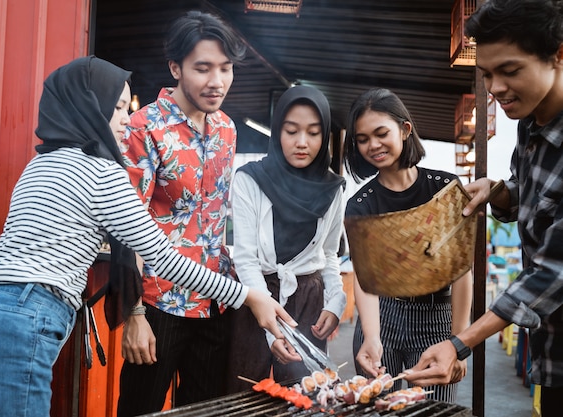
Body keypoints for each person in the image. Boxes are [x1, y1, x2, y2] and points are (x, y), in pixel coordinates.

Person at [0, 56, 294, 417]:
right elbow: (162, 258)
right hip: (28, 321)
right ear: (88, 107)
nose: (126, 119)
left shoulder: (42, 162)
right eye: (116, 107)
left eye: (127, 106)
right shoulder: (102, 172)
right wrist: (247, 296)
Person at [405, 1, 563, 415]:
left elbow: (552, 273)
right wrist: (496, 191)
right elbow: (527, 196)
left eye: (509, 71)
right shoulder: (531, 122)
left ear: (558, 54)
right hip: (553, 352)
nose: (495, 88)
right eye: (488, 74)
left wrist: (460, 343)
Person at [117, 11, 247, 415]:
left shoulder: (227, 128)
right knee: (141, 409)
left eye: (225, 69)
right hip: (159, 303)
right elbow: (127, 228)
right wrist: (134, 314)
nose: (217, 81)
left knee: (204, 411)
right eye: (203, 69)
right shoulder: (144, 127)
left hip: (214, 301)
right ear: (175, 68)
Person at [342, 87, 473, 402]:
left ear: (405, 129)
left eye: (381, 133)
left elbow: (461, 273)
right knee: (375, 404)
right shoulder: (361, 204)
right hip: (381, 316)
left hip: (435, 317)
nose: (373, 145)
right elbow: (365, 279)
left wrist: (458, 343)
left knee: (434, 407)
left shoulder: (445, 189)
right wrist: (372, 337)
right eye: (362, 139)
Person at [224, 86, 347, 392]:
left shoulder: (333, 189)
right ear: (277, 131)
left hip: (308, 301)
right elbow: (246, 258)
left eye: (314, 133)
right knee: (246, 394)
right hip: (255, 298)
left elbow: (329, 255)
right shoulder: (249, 179)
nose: (302, 142)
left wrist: (335, 301)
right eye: (291, 131)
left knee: (305, 394)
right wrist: (271, 329)